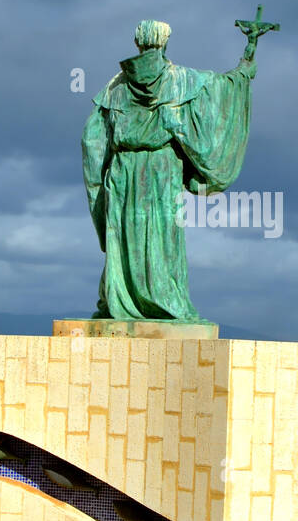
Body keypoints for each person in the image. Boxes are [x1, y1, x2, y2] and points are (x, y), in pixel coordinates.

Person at [82, 19, 261, 321]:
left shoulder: (114, 87)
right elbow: (226, 87)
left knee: (123, 237)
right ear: (164, 41)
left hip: (122, 169)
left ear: (138, 42)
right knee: (162, 239)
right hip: (161, 167)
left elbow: (92, 141)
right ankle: (164, 299)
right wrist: (247, 59)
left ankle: (121, 300)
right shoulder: (183, 80)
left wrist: (98, 187)